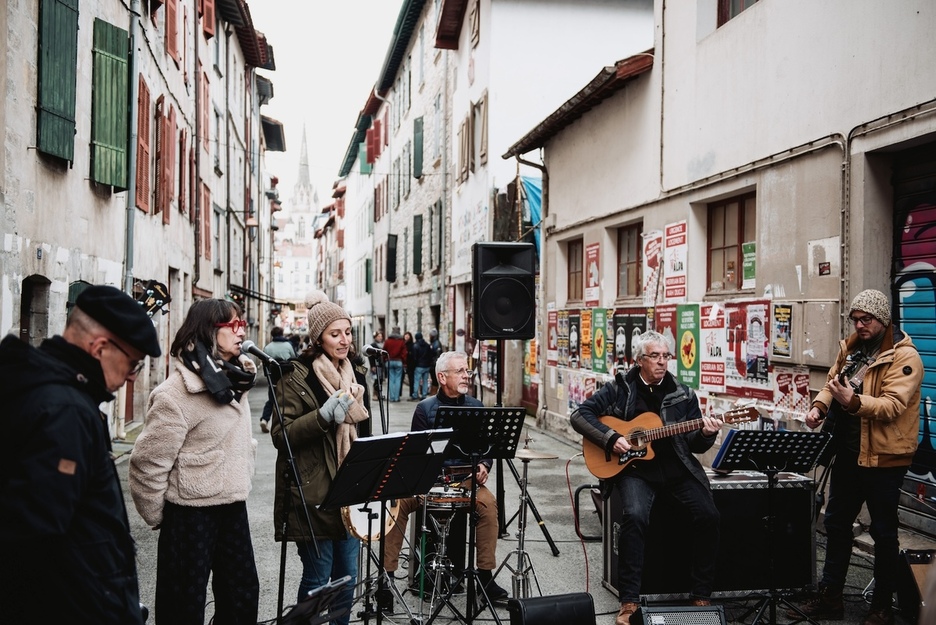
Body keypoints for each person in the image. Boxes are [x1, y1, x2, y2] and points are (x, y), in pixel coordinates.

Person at [0, 285, 160, 624]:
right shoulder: (65, 410)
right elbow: (35, 537)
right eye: (132, 363)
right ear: (100, 348)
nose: (132, 376)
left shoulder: (49, 390)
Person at [571, 330, 722, 625]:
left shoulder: (683, 393)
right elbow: (580, 415)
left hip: (677, 470)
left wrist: (706, 432)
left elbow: (694, 443)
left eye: (666, 356)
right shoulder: (619, 388)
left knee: (710, 515)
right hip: (634, 470)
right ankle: (629, 601)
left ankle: (701, 594)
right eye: (655, 356)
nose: (662, 362)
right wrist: (611, 437)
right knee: (635, 516)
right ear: (640, 360)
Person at [792, 289, 922, 625]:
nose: (860, 325)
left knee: (883, 532)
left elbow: (893, 405)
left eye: (867, 320)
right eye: (856, 319)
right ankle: (831, 596)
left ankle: (881, 607)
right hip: (848, 455)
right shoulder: (851, 349)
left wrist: (853, 402)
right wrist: (819, 407)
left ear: (883, 320)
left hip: (884, 458)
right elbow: (831, 383)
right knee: (835, 524)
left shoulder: (903, 358)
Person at [129, 299, 260, 625]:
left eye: (241, 323)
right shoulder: (176, 394)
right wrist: (166, 517)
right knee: (182, 603)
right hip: (189, 512)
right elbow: (147, 463)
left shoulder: (235, 380)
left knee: (243, 594)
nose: (241, 330)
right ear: (208, 331)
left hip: (231, 504)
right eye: (232, 326)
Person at [270, 290, 371, 625]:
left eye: (348, 331)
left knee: (347, 577)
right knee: (318, 578)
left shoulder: (353, 375)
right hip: (312, 493)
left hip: (349, 490)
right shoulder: (296, 375)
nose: (344, 340)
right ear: (317, 338)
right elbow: (280, 435)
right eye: (335, 333)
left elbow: (363, 432)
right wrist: (323, 417)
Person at [379, 351, 507, 612]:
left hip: (465, 480)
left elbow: (486, 450)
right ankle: (387, 579)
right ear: (442, 376)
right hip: (429, 479)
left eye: (467, 371)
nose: (466, 376)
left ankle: (484, 578)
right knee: (395, 504)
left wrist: (484, 465)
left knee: (489, 505)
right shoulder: (424, 409)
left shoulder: (476, 406)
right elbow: (415, 454)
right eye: (460, 371)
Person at [259, 325, 297, 433]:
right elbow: (294, 359)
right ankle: (284, 423)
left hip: (273, 379)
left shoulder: (268, 347)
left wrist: (268, 377)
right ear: (282, 334)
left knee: (272, 400)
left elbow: (264, 364)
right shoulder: (288, 345)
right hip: (286, 378)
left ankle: (265, 420)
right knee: (286, 401)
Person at [384, 326, 407, 402]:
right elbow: (404, 353)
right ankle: (397, 398)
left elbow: (384, 351)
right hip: (398, 361)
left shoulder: (388, 341)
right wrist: (403, 361)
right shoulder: (401, 342)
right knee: (398, 380)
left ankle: (392, 397)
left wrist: (385, 359)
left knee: (390, 380)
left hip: (389, 361)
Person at [412, 332, 433, 400]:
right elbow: (430, 355)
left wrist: (414, 365)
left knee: (417, 381)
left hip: (419, 366)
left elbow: (414, 357)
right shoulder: (427, 345)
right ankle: (424, 395)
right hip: (426, 366)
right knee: (425, 381)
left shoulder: (415, 346)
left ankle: (415, 395)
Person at [368, 329, 385, 400]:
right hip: (375, 365)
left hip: (381, 365)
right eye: (378, 336)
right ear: (375, 337)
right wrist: (372, 365)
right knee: (376, 380)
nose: (380, 337)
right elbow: (371, 356)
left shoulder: (383, 345)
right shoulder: (373, 345)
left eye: (381, 336)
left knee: (380, 380)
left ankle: (379, 394)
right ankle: (375, 394)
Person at [428, 328, 443, 392]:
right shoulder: (433, 343)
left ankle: (434, 392)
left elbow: (437, 354)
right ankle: (433, 391)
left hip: (434, 363)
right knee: (434, 378)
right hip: (433, 363)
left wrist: (434, 363)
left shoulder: (436, 343)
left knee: (434, 379)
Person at [404, 330, 416, 399]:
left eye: (408, 336)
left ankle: (412, 393)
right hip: (405, 364)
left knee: (411, 380)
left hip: (411, 365)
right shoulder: (403, 344)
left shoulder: (412, 345)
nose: (406, 337)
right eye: (405, 336)